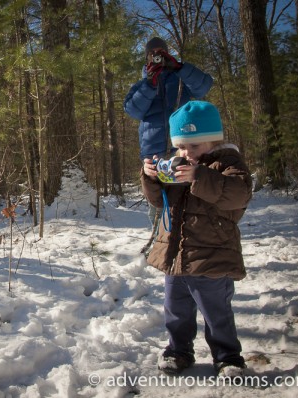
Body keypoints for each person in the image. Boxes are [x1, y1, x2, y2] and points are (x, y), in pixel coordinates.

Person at [141, 101, 252, 378]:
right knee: (175, 309)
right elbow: (159, 202)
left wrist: (199, 176)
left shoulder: (228, 164)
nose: (186, 153)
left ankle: (228, 357)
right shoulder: (177, 164)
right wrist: (151, 178)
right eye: (181, 147)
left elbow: (237, 195)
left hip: (213, 253)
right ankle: (178, 350)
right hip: (176, 254)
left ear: (214, 141)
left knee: (216, 311)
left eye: (195, 146)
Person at [124, 37, 213, 229]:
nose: (156, 57)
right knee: (157, 205)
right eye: (152, 54)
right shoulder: (142, 85)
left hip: (183, 151)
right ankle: (159, 244)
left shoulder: (181, 79)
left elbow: (204, 86)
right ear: (146, 57)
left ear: (167, 54)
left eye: (160, 53)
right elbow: (133, 110)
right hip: (154, 156)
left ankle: (186, 241)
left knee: (187, 202)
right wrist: (150, 83)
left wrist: (180, 67)